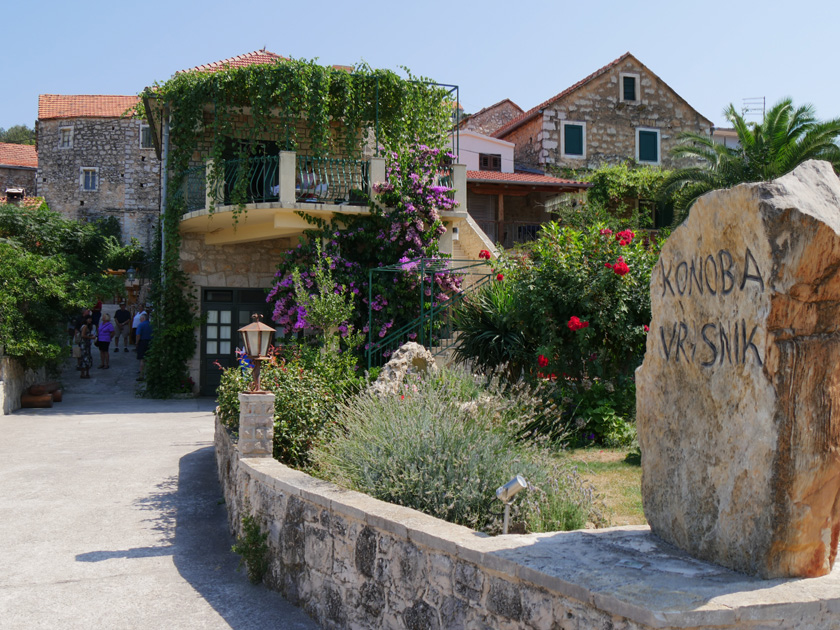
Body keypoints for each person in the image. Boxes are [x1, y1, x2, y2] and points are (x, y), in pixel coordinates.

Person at [135, 313, 152, 381]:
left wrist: (136, 343)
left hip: (143, 342)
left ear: (143, 319)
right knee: (149, 358)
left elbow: (138, 335)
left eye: (140, 319)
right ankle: (149, 374)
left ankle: (141, 375)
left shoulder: (141, 325)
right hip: (150, 342)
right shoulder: (152, 325)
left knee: (142, 359)